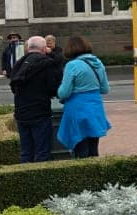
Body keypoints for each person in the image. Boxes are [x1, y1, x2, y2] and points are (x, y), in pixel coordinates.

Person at [56, 36, 111, 159]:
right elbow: (105, 89)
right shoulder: (98, 63)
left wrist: (58, 90)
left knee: (80, 147)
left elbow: (64, 92)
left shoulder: (72, 65)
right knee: (93, 147)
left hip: (77, 108)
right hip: (95, 108)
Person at [10, 35, 62, 163]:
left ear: (28, 48)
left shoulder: (19, 63)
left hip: (21, 111)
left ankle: (25, 173)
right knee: (42, 150)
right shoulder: (47, 63)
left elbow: (13, 85)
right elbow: (53, 87)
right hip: (40, 110)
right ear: (44, 49)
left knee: (26, 151)